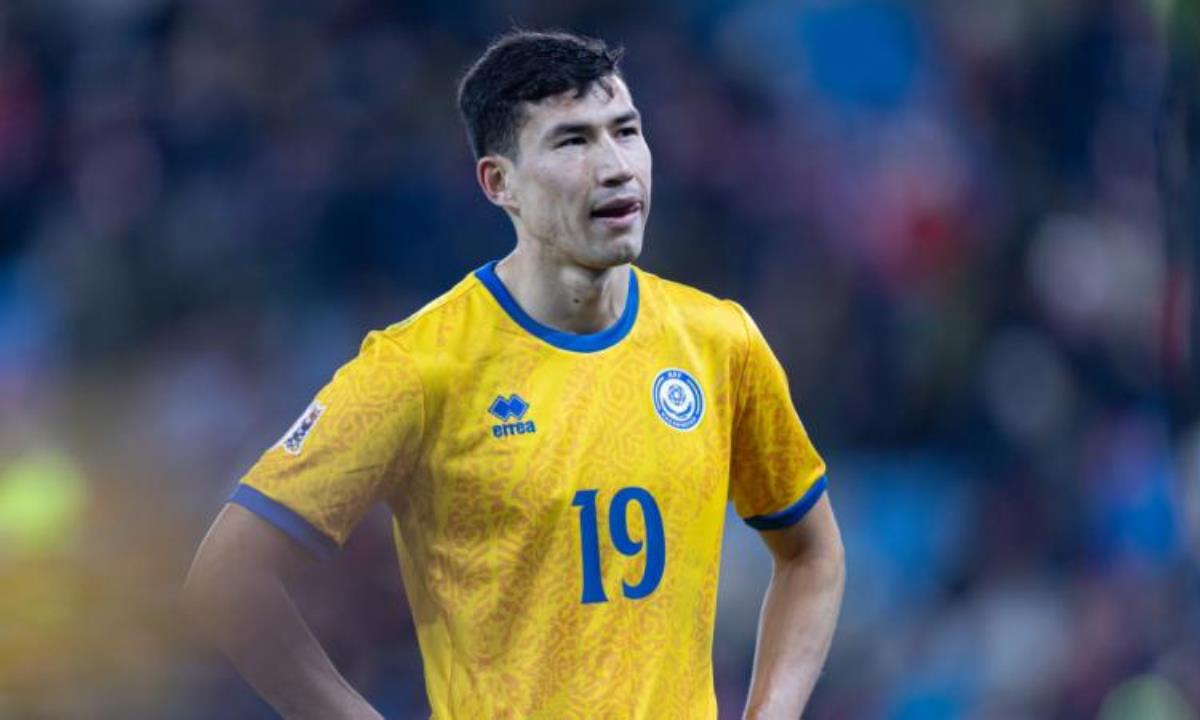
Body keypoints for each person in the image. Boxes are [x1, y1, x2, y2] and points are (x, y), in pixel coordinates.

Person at [183, 30, 845, 720]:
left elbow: (812, 553)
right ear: (500, 183)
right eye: (573, 141)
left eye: (626, 131)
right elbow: (227, 576)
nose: (617, 166)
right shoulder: (419, 368)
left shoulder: (719, 341)